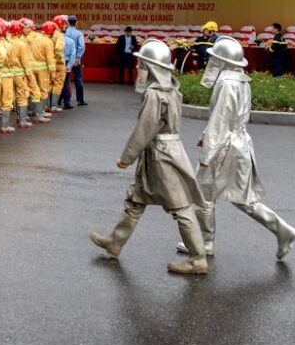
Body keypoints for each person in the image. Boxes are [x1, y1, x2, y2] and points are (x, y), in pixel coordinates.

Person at [89, 39, 208, 275]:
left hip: (161, 156)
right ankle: (114, 242)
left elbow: (145, 129)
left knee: (181, 206)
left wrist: (127, 157)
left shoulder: (155, 94)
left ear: (152, 66)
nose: (138, 68)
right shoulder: (172, 88)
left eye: (142, 64)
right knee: (136, 199)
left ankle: (198, 258)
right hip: (165, 151)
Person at [180, 36, 295, 261]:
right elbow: (231, 118)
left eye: (215, 59)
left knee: (203, 194)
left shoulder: (226, 83)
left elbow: (220, 119)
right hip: (238, 144)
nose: (210, 63)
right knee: (244, 200)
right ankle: (283, 230)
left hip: (224, 148)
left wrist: (207, 151)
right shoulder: (241, 80)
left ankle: (205, 243)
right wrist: (206, 136)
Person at [64, 15, 87, 106]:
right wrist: (77, 57)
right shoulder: (79, 33)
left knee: (65, 81)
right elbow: (81, 47)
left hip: (65, 59)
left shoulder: (64, 32)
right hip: (75, 60)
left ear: (68, 23)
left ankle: (66, 102)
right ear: (76, 22)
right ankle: (80, 100)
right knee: (78, 79)